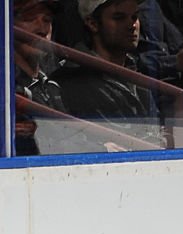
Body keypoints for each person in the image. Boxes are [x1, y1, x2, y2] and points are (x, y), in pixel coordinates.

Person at [54, 0, 165, 148]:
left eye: (134, 17)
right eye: (119, 18)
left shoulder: (136, 74)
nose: (132, 25)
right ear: (93, 23)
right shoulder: (73, 79)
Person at [13, 0, 68, 155]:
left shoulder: (53, 85)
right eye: (30, 18)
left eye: (47, 20)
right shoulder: (7, 91)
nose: (42, 29)